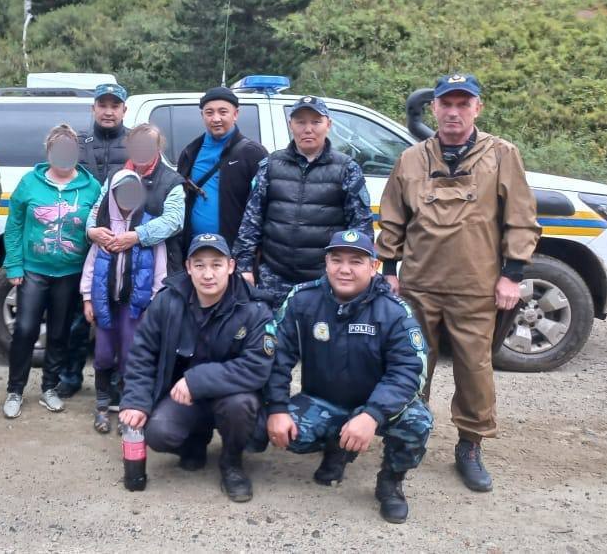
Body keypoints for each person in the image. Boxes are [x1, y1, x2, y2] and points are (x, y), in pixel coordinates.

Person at [376, 73, 540, 493]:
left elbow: (521, 219)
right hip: (418, 285)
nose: (453, 111)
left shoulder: (502, 155)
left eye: (463, 104)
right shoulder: (411, 159)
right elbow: (393, 218)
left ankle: (469, 445)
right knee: (411, 366)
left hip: (476, 285)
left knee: (475, 368)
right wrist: (389, 274)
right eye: (446, 103)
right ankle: (408, 435)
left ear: (477, 108)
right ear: (433, 108)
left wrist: (512, 275)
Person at [261, 230, 433, 523]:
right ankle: (337, 449)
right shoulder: (303, 300)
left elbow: (408, 372)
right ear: (326, 262)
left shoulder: (394, 311)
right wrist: (276, 409)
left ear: (373, 266)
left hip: (378, 409)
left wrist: (372, 415)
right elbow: (277, 357)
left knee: (418, 423)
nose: (344, 269)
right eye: (336, 260)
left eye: (356, 261)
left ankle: (390, 482)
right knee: (283, 431)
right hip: (324, 399)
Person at [119, 234, 274, 503]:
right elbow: (143, 353)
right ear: (188, 267)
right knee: (158, 432)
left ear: (231, 266)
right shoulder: (167, 301)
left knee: (241, 405)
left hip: (230, 396)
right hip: (183, 399)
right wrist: (135, 401)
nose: (208, 274)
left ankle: (232, 463)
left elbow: (257, 366)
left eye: (216, 264)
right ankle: (195, 440)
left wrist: (196, 381)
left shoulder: (254, 308)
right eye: (200, 265)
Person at [1, 124, 102, 418]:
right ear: (49, 151)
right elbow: (14, 225)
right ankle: (15, 389)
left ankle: (49, 387)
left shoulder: (91, 186)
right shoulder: (29, 183)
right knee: (24, 329)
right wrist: (14, 264)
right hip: (34, 270)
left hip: (70, 272)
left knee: (59, 333)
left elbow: (96, 226)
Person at [233, 95, 373, 305]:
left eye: (316, 122)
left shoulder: (347, 169)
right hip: (274, 278)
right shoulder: (270, 165)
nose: (308, 129)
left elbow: (361, 227)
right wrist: (244, 267)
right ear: (291, 125)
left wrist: (354, 274)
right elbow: (251, 221)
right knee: (273, 336)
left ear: (329, 124)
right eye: (300, 122)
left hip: (325, 280)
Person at [59, 82, 135, 398]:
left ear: (123, 110)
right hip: (81, 241)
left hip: (121, 243)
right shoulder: (76, 143)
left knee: (119, 316)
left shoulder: (135, 143)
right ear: (93, 108)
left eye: (114, 105)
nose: (108, 111)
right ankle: (70, 375)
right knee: (77, 315)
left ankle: (117, 380)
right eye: (102, 104)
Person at [80, 169, 169, 433]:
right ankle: (102, 404)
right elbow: (91, 265)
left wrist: (154, 300)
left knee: (131, 354)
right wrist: (87, 299)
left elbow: (160, 270)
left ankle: (127, 406)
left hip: (136, 306)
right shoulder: (103, 230)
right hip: (106, 303)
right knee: (104, 352)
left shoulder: (147, 230)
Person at [174, 87, 268, 269]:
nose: (216, 118)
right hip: (194, 253)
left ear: (236, 114)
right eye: (209, 112)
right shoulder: (190, 151)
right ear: (202, 116)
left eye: (223, 112)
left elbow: (263, 209)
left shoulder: (253, 154)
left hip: (233, 255)